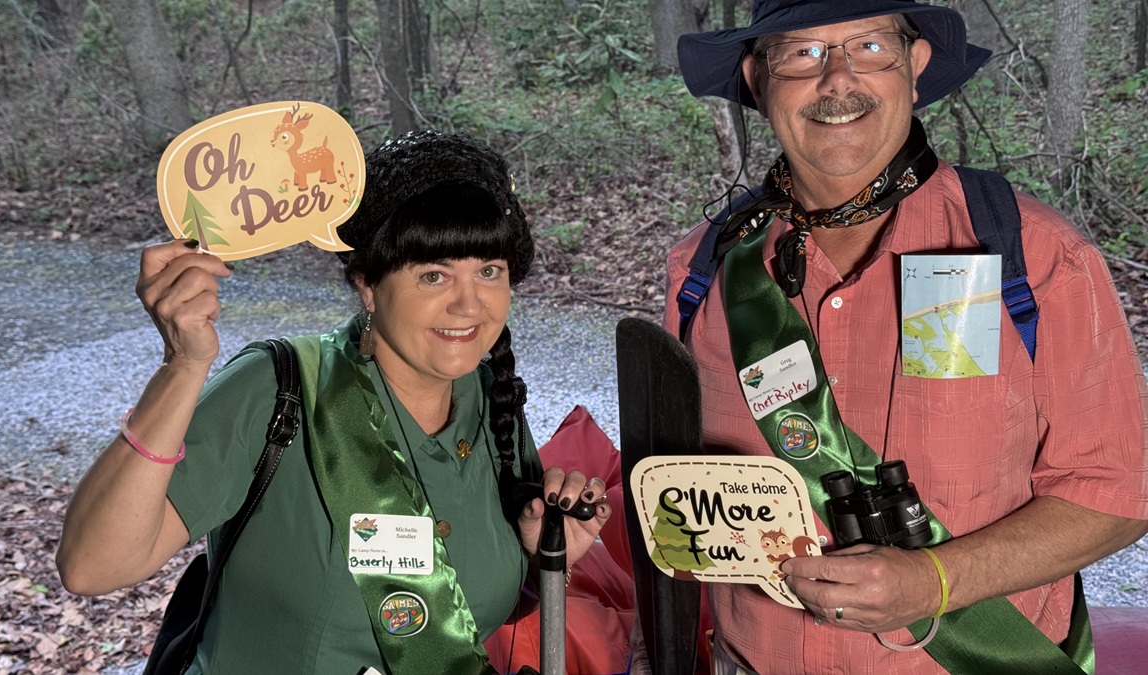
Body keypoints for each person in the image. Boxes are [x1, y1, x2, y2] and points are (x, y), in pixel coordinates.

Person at [637, 0, 1148, 673]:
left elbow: (1118, 492)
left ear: (916, 63)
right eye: (802, 53)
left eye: (870, 46)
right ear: (758, 81)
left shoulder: (1037, 258)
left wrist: (935, 581)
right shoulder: (704, 270)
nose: (837, 79)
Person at [56, 130, 613, 674]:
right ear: (368, 285)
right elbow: (92, 567)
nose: (469, 304)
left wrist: (543, 557)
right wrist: (183, 363)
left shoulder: (492, 402)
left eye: (489, 271)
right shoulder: (278, 391)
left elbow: (457, 619)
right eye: (434, 275)